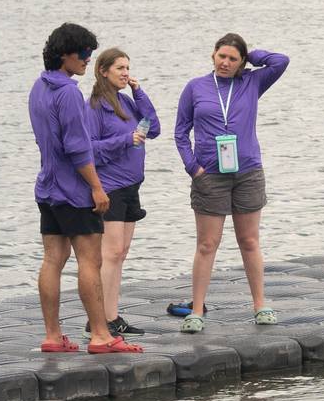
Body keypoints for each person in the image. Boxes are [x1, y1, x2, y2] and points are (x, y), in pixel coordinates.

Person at [28, 23, 140, 355]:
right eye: (84, 53)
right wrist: (97, 188)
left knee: (52, 259)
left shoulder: (38, 87)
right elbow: (78, 148)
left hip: (46, 187)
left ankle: (53, 335)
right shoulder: (69, 93)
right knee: (90, 261)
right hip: (74, 191)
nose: (87, 60)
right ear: (65, 54)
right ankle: (102, 336)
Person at [173, 33, 289, 329]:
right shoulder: (195, 87)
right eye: (221, 56)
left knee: (249, 241)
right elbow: (180, 132)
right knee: (207, 244)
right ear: (213, 55)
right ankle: (196, 310)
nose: (225, 63)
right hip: (209, 174)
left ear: (241, 62)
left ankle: (260, 305)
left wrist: (252, 56)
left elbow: (280, 61)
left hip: (248, 171)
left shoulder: (251, 82)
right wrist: (193, 168)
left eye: (233, 59)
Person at [86, 47, 159, 335]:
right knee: (111, 252)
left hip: (132, 185)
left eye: (127, 68)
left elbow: (154, 127)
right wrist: (124, 140)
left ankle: (112, 316)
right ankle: (97, 319)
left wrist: (139, 93)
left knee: (122, 252)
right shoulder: (93, 106)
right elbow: (89, 148)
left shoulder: (127, 102)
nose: (126, 73)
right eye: (119, 68)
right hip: (110, 185)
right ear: (104, 71)